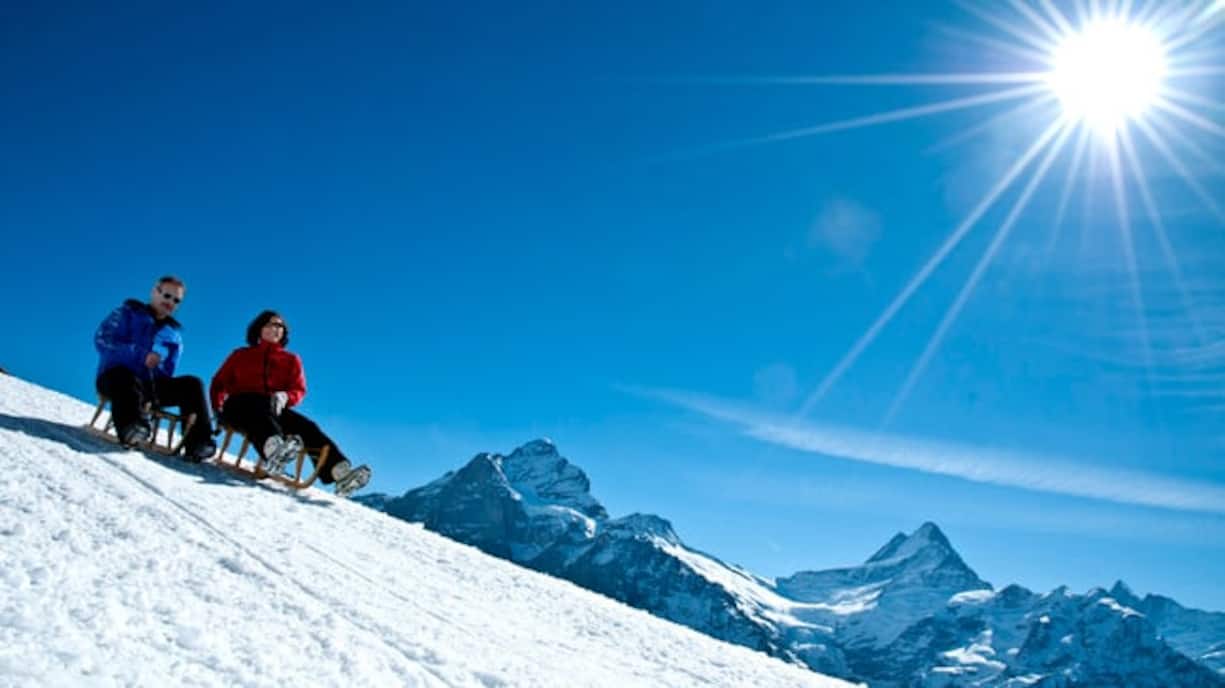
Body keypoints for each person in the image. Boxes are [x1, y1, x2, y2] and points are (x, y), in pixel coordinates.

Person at [209, 310, 372, 497]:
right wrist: (217, 409)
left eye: (280, 326)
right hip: (239, 407)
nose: (277, 329)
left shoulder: (291, 360)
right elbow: (218, 383)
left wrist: (286, 397)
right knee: (257, 406)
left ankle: (339, 473)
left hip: (272, 409)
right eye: (271, 324)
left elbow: (298, 389)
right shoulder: (241, 355)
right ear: (259, 329)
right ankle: (273, 450)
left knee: (307, 427)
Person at [94, 275, 217, 461]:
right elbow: (104, 340)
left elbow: (167, 371)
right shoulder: (127, 314)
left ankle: (199, 443)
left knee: (192, 383)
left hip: (149, 387)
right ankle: (131, 428)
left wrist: (157, 366)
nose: (170, 303)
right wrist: (141, 354)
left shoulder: (173, 335)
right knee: (125, 377)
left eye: (176, 300)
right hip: (115, 378)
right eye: (167, 296)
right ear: (154, 292)